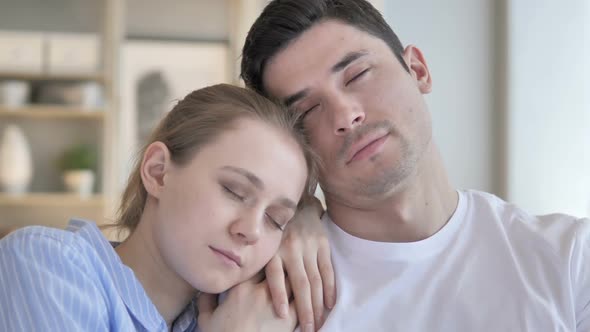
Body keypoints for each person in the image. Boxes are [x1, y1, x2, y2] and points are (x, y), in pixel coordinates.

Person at [240, 0, 590, 331]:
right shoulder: (266, 301)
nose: (346, 115)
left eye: (357, 74)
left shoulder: (571, 259)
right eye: (308, 110)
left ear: (418, 70)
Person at [0, 84, 322, 331]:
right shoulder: (46, 264)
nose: (251, 230)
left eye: (276, 220)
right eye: (234, 191)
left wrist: (313, 218)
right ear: (158, 172)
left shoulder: (238, 315)